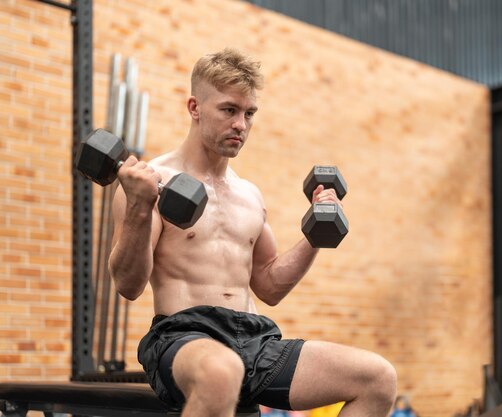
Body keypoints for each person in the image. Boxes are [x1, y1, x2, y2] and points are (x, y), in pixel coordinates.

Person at [108, 47, 397, 417]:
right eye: (229, 110)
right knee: (221, 372)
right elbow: (128, 286)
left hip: (254, 337)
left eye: (249, 114)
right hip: (183, 336)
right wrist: (137, 207)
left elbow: (270, 287)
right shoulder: (152, 182)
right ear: (194, 108)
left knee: (377, 378)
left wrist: (314, 235)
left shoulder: (249, 195)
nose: (241, 125)